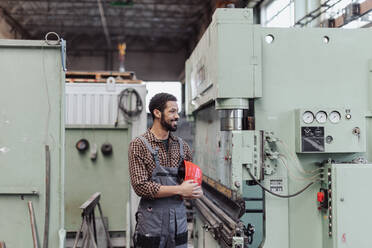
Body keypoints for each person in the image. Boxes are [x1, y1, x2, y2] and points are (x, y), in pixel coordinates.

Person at [129, 93, 203, 248]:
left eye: (177, 111)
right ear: (157, 113)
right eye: (172, 111)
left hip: (178, 223)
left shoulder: (183, 147)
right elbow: (140, 186)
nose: (177, 116)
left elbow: (189, 183)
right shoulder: (139, 145)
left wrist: (196, 191)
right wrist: (180, 189)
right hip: (151, 223)